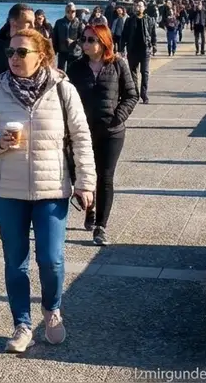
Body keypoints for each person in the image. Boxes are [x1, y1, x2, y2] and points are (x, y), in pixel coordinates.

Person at [0, 28, 96, 354]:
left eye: (21, 53)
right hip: (8, 191)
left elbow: (81, 137)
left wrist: (86, 182)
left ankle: (52, 311)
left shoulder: (62, 90)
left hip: (52, 188)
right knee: (16, 262)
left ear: (41, 55)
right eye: (10, 53)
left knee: (51, 259)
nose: (13, 58)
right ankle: (22, 324)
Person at [67, 23, 138, 246]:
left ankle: (100, 226)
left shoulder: (118, 64)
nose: (85, 44)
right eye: (83, 39)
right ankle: (89, 207)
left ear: (103, 42)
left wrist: (118, 117)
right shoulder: (76, 67)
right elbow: (65, 97)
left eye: (90, 40)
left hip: (111, 132)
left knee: (105, 178)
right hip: (82, 133)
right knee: (82, 174)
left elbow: (131, 94)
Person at [0, 3, 36, 243]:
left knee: (28, 171)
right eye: (29, 23)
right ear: (13, 24)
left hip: (29, 124)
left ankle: (26, 219)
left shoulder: (36, 46)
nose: (34, 26)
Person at [122, 1, 157, 104]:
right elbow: (124, 35)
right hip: (132, 49)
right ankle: (135, 94)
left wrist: (154, 45)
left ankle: (144, 94)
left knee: (145, 72)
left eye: (140, 6)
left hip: (145, 50)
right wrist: (121, 48)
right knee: (132, 72)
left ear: (144, 8)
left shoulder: (150, 20)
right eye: (136, 5)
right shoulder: (129, 20)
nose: (138, 7)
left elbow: (153, 34)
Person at [53, 2, 84, 71]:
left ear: (75, 12)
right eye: (68, 11)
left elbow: (83, 38)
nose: (70, 13)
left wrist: (74, 41)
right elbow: (55, 38)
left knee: (73, 72)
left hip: (74, 52)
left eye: (73, 11)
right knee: (61, 72)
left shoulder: (79, 23)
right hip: (62, 51)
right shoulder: (59, 22)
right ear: (65, 12)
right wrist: (54, 50)